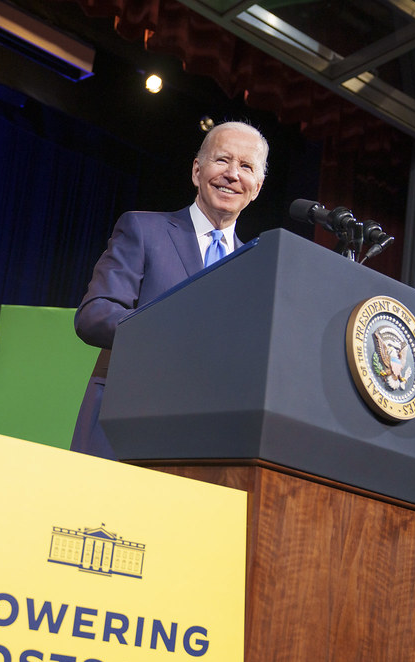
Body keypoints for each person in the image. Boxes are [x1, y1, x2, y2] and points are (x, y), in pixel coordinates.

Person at [70, 121, 269, 459]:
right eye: (222, 160)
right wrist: (173, 336)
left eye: (246, 166)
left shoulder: (257, 268)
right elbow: (95, 315)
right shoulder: (144, 230)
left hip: (209, 444)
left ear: (257, 187)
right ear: (197, 170)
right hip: (126, 425)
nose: (233, 174)